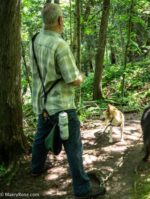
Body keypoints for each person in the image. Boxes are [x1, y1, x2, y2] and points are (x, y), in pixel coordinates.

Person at [30, 3, 105, 198]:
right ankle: (82, 189)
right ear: (60, 20)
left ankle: (36, 167)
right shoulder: (60, 45)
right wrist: (81, 77)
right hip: (61, 105)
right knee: (73, 146)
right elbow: (73, 79)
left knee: (41, 134)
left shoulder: (35, 39)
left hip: (42, 103)